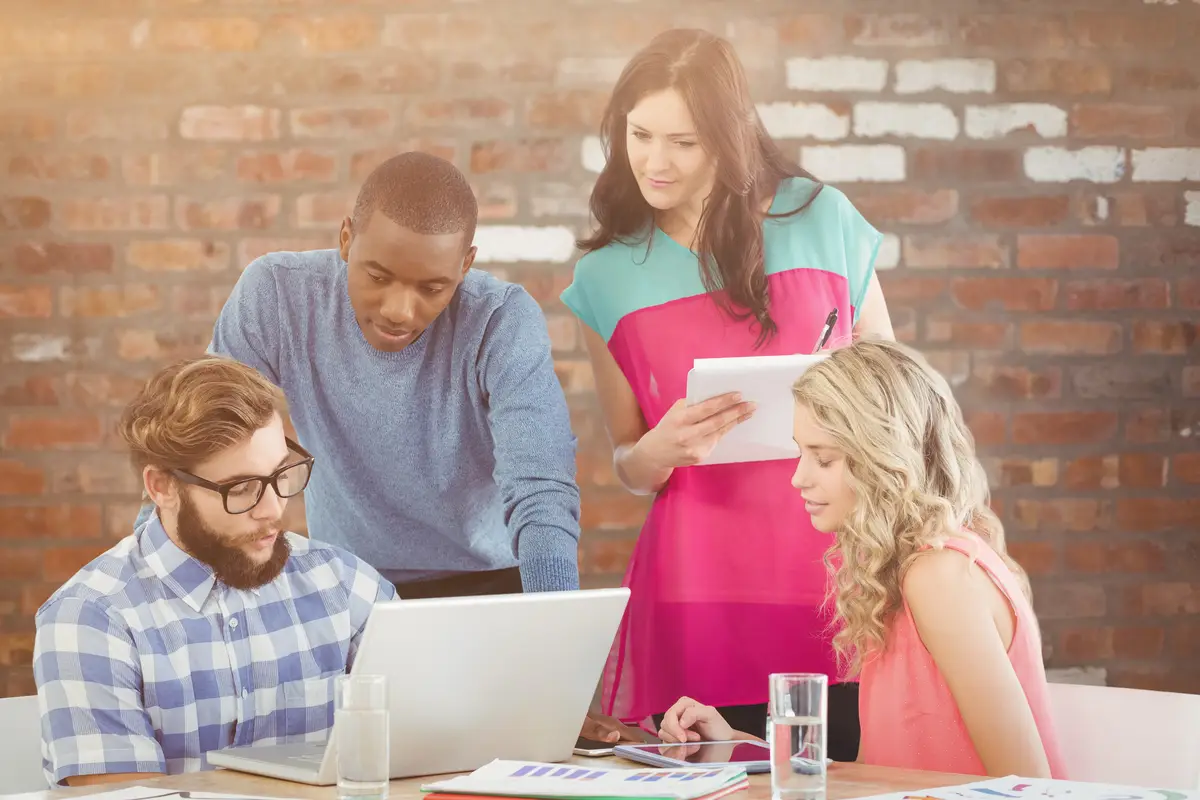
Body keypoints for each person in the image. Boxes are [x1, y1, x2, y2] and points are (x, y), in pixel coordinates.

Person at [560, 29, 894, 757]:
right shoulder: (605, 278)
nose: (654, 160)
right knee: (713, 774)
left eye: (683, 141)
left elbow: (896, 397)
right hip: (700, 581)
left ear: (729, 137)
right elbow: (627, 461)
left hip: (838, 570)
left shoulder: (821, 218)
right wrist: (659, 448)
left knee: (858, 771)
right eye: (640, 134)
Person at [150, 151, 581, 597]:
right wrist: (149, 588)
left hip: (489, 581)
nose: (398, 311)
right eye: (377, 276)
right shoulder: (277, 296)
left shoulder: (500, 321)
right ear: (346, 238)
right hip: (346, 581)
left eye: (432, 288)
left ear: (465, 265)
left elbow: (541, 488)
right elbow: (197, 439)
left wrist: (555, 624)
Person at [655, 340, 1068, 778]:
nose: (798, 478)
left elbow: (1029, 784)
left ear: (883, 458)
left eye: (824, 458)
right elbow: (872, 774)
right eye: (801, 452)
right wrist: (735, 744)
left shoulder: (939, 576)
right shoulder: (895, 573)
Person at [34, 356, 397, 787]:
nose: (273, 509)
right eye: (241, 489)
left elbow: (429, 752)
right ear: (162, 487)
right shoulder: (92, 619)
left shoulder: (346, 584)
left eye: (281, 474)